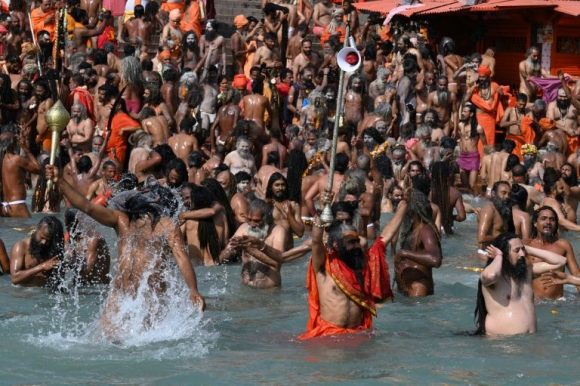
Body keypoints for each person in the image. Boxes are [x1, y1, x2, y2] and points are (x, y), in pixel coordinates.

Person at [45, 165, 205, 339]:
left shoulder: (162, 225)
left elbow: (182, 259)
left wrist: (193, 290)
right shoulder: (123, 220)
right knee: (109, 341)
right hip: (122, 296)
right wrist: (60, 180)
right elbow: (86, 207)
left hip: (148, 297)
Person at [298, 192, 406, 340]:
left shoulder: (361, 265)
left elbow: (384, 237)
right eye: (351, 242)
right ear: (336, 245)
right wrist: (324, 209)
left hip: (358, 335)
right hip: (329, 339)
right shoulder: (324, 266)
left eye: (356, 241)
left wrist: (404, 205)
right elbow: (316, 241)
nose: (357, 245)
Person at [474, 232, 566, 336]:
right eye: (516, 251)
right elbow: (491, 275)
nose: (522, 254)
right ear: (504, 254)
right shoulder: (491, 276)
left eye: (522, 250)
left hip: (528, 342)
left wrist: (527, 249)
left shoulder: (526, 272)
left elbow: (561, 261)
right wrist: (499, 256)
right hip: (502, 342)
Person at [219, 198, 288, 288]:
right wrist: (231, 250)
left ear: (266, 218)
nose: (251, 224)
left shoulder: (278, 231)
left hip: (269, 293)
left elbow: (277, 262)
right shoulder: (244, 228)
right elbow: (222, 258)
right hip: (245, 290)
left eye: (256, 221)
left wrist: (249, 249)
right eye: (249, 220)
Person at [395, 181, 442, 297]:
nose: (401, 206)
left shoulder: (425, 230)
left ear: (413, 208)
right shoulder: (411, 229)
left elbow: (435, 259)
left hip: (418, 289)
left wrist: (404, 253)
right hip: (408, 291)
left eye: (405, 203)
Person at [525, 206, 580, 299]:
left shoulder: (563, 245)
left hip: (558, 302)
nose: (548, 222)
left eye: (552, 219)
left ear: (556, 224)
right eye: (543, 219)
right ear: (535, 223)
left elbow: (577, 275)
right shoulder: (526, 245)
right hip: (534, 302)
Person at [10, 216, 64, 287]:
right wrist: (41, 267)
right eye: (42, 237)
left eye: (48, 240)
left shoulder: (54, 248)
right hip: (24, 294)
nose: (43, 242)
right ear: (36, 229)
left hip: (44, 293)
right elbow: (14, 279)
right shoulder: (20, 247)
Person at [63, 208, 111, 285]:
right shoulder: (68, 238)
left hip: (99, 288)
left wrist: (67, 262)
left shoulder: (93, 239)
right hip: (81, 287)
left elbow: (87, 270)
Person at [1, 132, 40, 217]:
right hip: (17, 204)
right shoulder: (16, 159)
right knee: (31, 230)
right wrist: (26, 149)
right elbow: (38, 169)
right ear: (13, 143)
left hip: (4, 206)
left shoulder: (2, 160)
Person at [468, 65, 503, 154]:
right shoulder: (476, 87)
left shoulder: (494, 86)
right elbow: (467, 97)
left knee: (489, 140)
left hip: (490, 118)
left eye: (483, 77)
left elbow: (500, 96)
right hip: (479, 117)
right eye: (480, 77)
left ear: (488, 77)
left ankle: (487, 160)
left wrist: (501, 93)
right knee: (479, 140)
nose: (481, 79)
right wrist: (473, 87)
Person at [456, 103, 485, 193]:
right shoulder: (460, 125)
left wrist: (483, 161)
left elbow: (485, 145)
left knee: (472, 185)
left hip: (473, 157)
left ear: (471, 114)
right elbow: (460, 140)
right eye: (463, 111)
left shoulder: (478, 128)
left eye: (465, 111)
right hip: (463, 157)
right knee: (465, 186)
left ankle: (477, 200)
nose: (463, 113)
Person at [477, 181, 514, 248]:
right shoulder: (489, 210)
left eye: (509, 194)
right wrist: (504, 238)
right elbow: (481, 238)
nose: (507, 196)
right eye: (503, 193)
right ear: (493, 193)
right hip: (486, 253)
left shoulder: (504, 210)